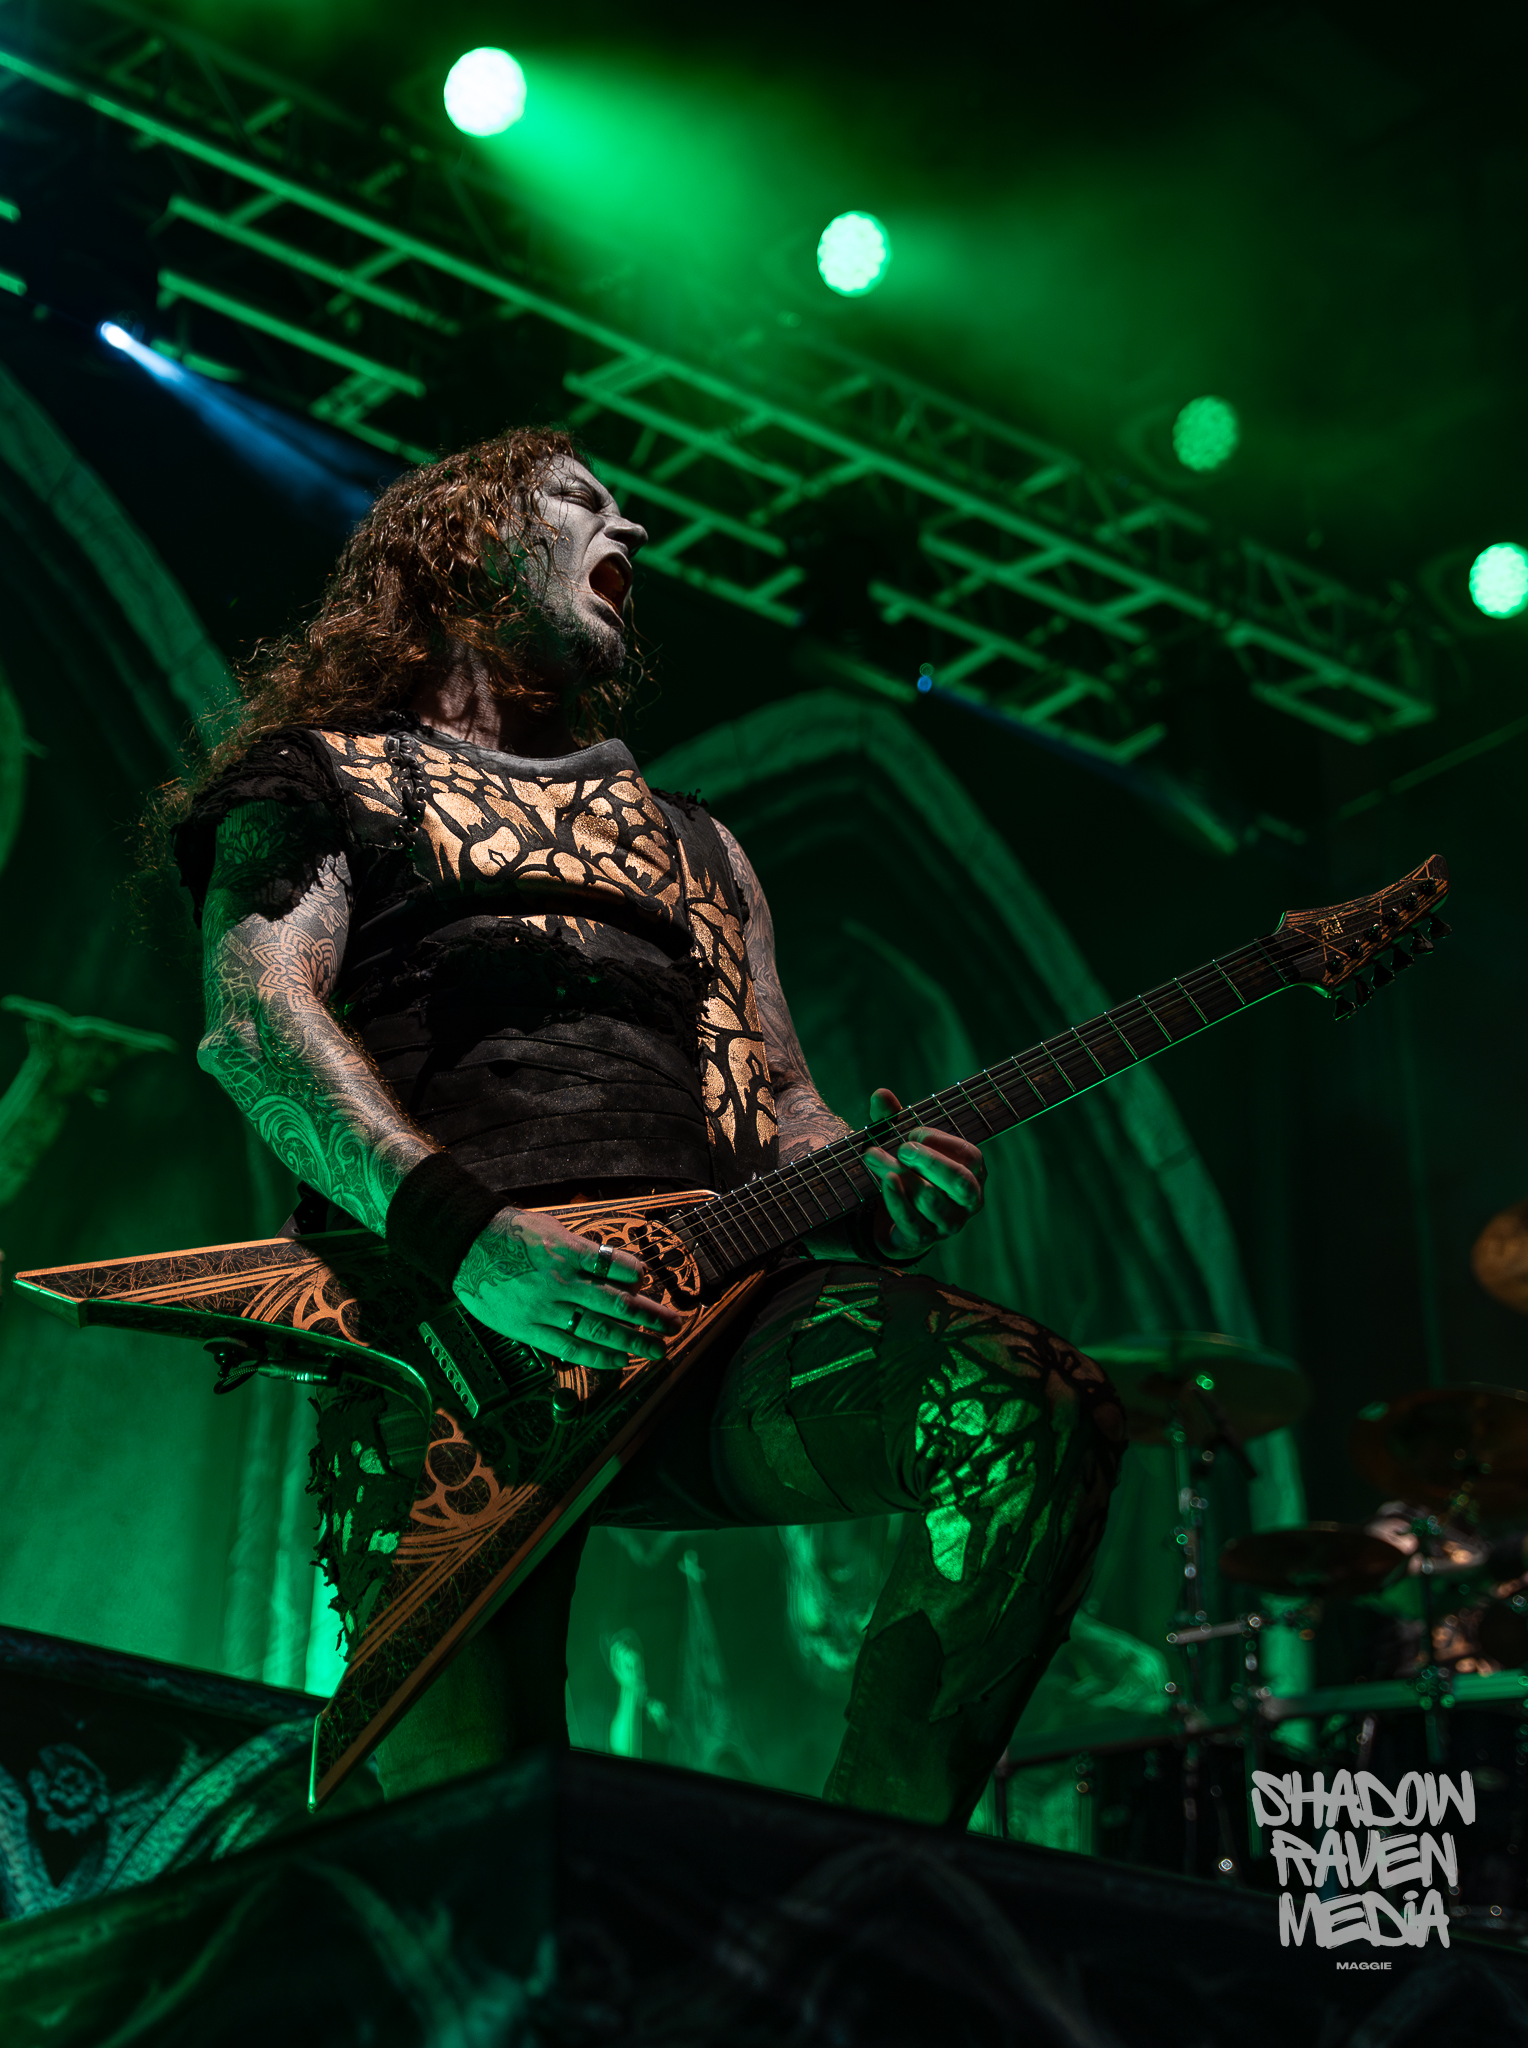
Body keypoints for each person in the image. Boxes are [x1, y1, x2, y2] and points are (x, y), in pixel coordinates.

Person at [168, 426, 1125, 1827]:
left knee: (1026, 1403)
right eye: (580, 501)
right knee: (472, 1845)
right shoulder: (326, 778)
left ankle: (873, 1880)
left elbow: (781, 1112)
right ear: (463, 547)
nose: (633, 530)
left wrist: (872, 1187)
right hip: (445, 1342)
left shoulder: (695, 844)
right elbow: (256, 1026)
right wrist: (472, 1239)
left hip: (712, 1315)